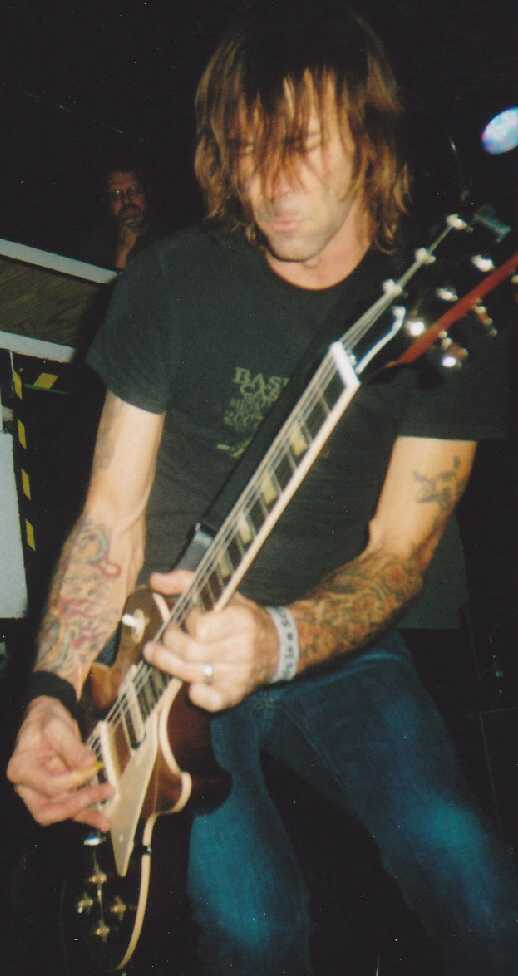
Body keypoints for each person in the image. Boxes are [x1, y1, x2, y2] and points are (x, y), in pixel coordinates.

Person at [7, 2, 518, 973]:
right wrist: (50, 695)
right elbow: (110, 521)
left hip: (334, 646)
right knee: (257, 926)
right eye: (244, 150)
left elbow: (398, 554)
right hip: (155, 656)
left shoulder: (443, 311)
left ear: (369, 141)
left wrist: (278, 639)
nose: (267, 183)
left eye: (300, 146)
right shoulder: (171, 282)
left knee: (466, 867)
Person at [78, 162, 157, 270]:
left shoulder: (169, 237)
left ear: (146, 193)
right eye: (116, 194)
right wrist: (122, 252)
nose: (126, 200)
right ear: (107, 202)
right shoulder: (95, 246)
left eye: (133, 191)